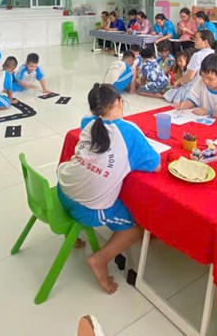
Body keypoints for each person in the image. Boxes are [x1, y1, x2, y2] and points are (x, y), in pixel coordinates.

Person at [57, 83, 160, 294]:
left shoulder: (87, 123)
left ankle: (73, 236)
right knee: (137, 227)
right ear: (120, 102)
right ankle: (100, 259)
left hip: (63, 189)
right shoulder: (129, 132)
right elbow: (155, 165)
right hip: (84, 207)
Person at [175, 53, 217, 124]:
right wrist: (184, 105)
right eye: (203, 76)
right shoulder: (201, 82)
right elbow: (193, 100)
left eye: (210, 79)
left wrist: (210, 112)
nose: (205, 81)